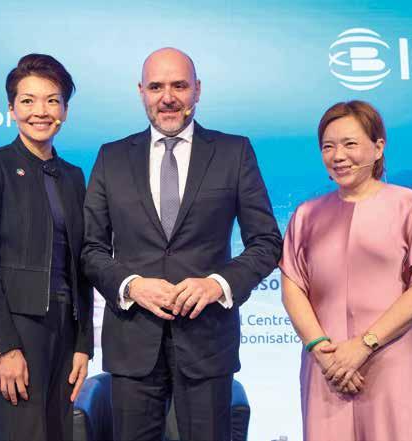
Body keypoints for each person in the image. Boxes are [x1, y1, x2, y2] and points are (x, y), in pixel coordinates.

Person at [81, 47, 282, 441]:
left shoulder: (234, 152)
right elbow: (91, 248)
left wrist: (217, 285)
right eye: (156, 87)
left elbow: (266, 242)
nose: (168, 97)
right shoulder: (111, 157)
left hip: (208, 341)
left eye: (179, 86)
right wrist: (131, 286)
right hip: (132, 342)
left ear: (198, 90)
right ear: (141, 91)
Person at [279, 100, 412, 441]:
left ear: (378, 148)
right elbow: (293, 289)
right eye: (328, 147)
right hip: (326, 367)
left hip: (391, 359)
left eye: (350, 144)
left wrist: (364, 345)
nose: (338, 156)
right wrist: (322, 351)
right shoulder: (306, 215)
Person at [0, 54, 93, 441]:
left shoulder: (73, 176)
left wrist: (83, 345)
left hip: (66, 329)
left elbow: (82, 264)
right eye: (28, 100)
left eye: (52, 100)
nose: (41, 111)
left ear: (65, 110)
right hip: (17, 329)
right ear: (12, 109)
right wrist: (4, 348)